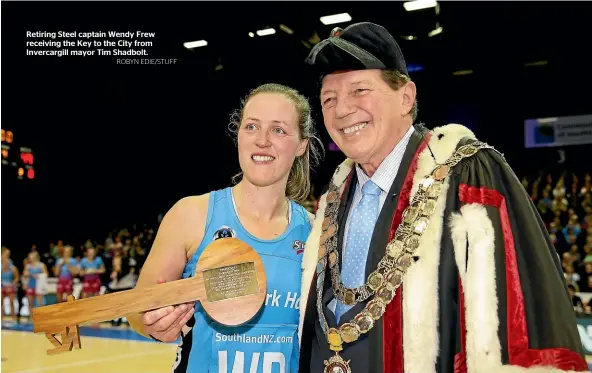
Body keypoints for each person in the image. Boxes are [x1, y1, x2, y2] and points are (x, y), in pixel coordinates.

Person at [298, 22, 588, 373]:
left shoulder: (468, 178)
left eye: (360, 90)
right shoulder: (333, 197)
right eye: (329, 98)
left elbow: (521, 327)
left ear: (406, 97)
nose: (341, 109)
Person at [127, 83, 324, 373]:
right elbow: (135, 309)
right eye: (252, 127)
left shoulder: (313, 231)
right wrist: (155, 325)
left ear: (301, 145)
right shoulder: (191, 215)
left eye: (279, 130)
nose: (262, 141)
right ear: (239, 135)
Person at [1, 252, 20, 321]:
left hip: (10, 286)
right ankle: (1, 318)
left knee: (11, 302)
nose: (5, 264)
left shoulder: (13, 268)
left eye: (7, 263)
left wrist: (12, 283)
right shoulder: (1, 268)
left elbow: (17, 277)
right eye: (4, 263)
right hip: (2, 286)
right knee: (1, 303)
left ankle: (13, 318)